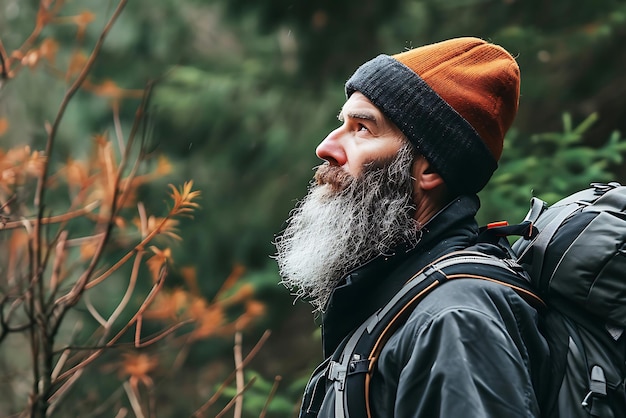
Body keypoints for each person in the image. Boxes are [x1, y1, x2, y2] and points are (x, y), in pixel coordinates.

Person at [274, 37, 549, 417]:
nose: (326, 147)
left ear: (430, 168)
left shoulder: (455, 319)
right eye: (342, 123)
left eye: (362, 128)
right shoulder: (402, 295)